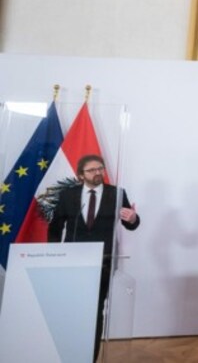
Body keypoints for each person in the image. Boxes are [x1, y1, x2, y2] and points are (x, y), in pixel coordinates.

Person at [47, 154, 140, 362]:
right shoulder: (68, 195)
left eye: (100, 168)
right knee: (71, 310)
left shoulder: (116, 193)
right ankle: (67, 353)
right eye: (92, 170)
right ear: (81, 175)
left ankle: (90, 357)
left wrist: (133, 219)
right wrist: (53, 255)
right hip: (72, 262)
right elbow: (55, 227)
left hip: (103, 262)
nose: (98, 173)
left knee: (96, 310)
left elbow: (130, 223)